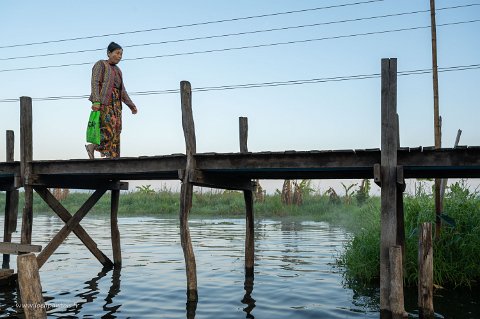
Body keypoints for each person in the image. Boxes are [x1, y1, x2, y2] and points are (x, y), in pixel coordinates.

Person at [86, 42, 138, 159]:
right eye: (117, 53)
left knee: (117, 130)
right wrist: (96, 101)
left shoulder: (118, 70)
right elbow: (95, 83)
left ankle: (113, 158)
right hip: (105, 102)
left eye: (121, 54)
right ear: (109, 53)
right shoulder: (101, 64)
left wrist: (131, 105)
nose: (119, 56)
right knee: (107, 129)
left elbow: (122, 90)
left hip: (117, 104)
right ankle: (93, 146)